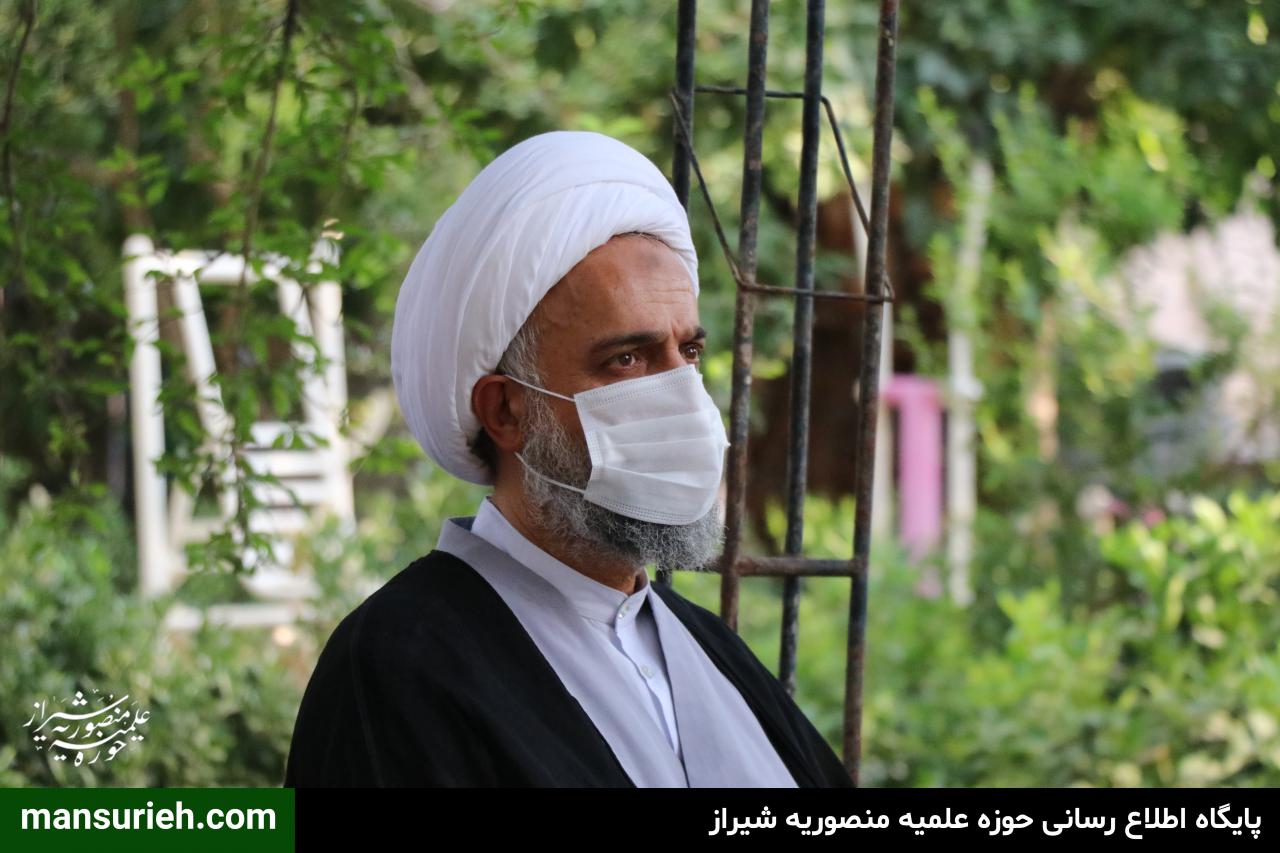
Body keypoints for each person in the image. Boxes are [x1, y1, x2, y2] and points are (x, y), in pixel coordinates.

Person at [283, 130, 852, 788]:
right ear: (506, 411)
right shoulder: (398, 664)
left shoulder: (706, 648)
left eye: (689, 353)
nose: (683, 396)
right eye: (627, 359)